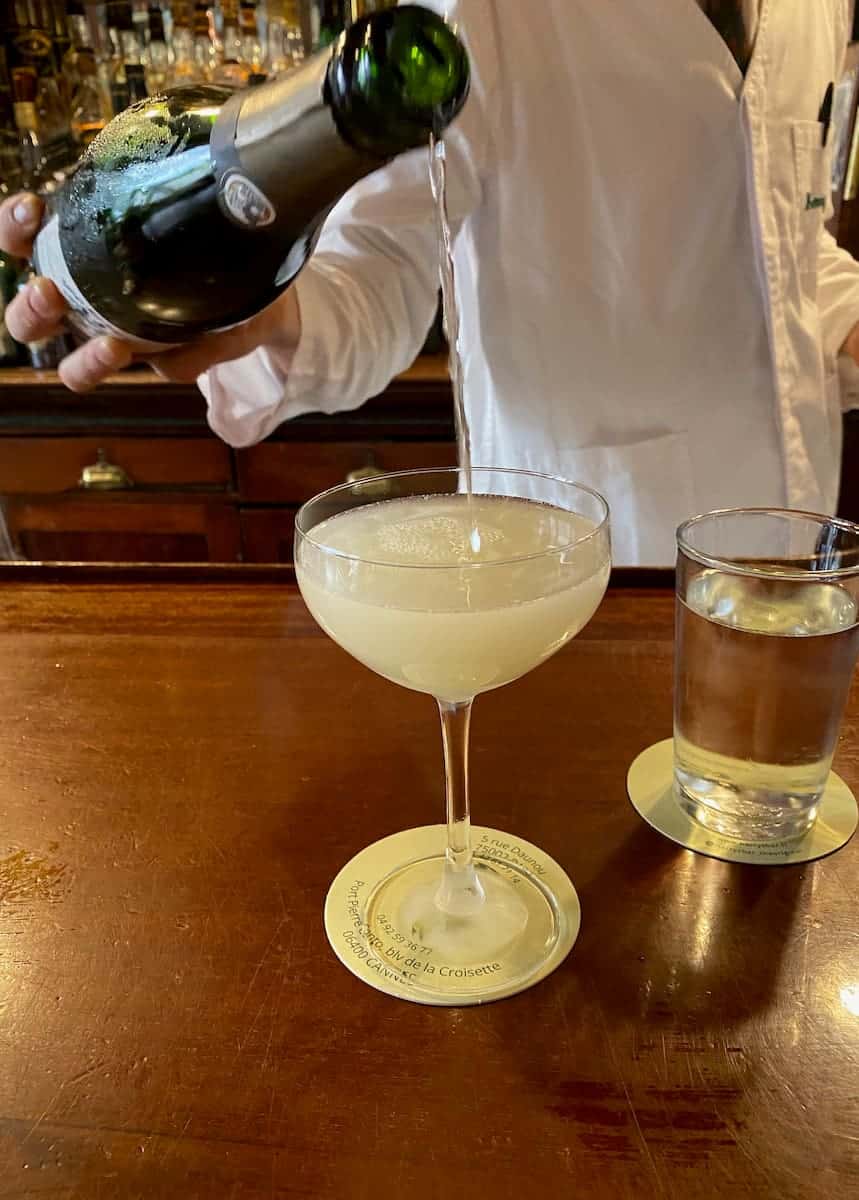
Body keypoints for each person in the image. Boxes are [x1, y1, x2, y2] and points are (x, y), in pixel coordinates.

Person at [3, 0, 859, 564]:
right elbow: (372, 271)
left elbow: (783, 228)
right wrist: (261, 311)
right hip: (598, 558)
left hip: (800, 545)